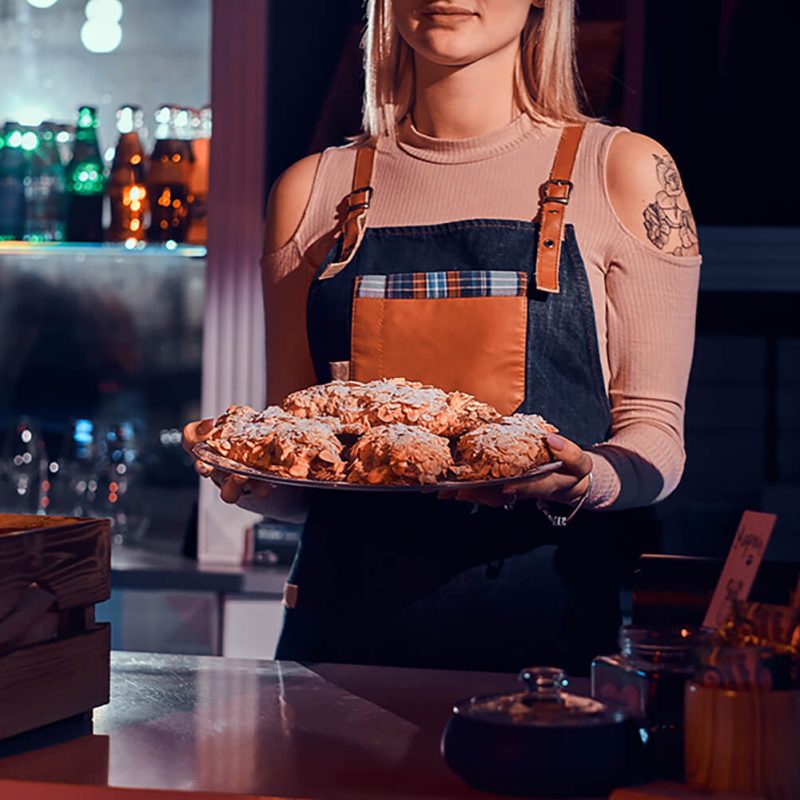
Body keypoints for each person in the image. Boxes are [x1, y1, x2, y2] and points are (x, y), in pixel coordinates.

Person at [184, 0, 701, 674]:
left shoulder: (627, 172)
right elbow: (302, 475)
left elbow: (656, 436)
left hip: (545, 656)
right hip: (335, 653)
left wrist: (585, 479)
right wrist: (248, 475)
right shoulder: (311, 191)